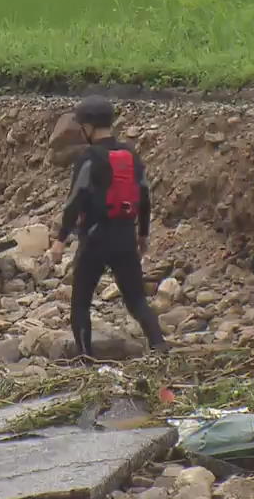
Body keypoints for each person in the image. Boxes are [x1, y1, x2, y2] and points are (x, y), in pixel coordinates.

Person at [48, 96, 167, 359]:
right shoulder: (131, 155)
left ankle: (86, 361)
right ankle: (161, 349)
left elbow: (75, 199)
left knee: (80, 304)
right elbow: (145, 196)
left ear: (88, 127)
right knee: (137, 301)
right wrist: (143, 234)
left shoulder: (89, 157)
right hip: (125, 237)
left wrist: (60, 240)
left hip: (95, 240)